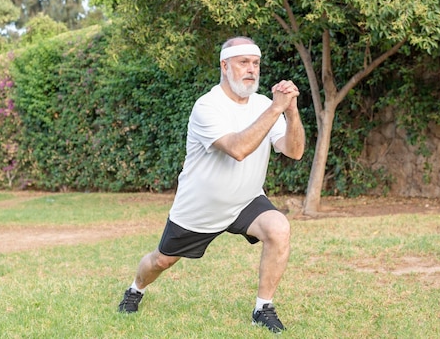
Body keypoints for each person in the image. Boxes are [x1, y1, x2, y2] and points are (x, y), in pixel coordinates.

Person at [117, 36, 305, 333]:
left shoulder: (264, 104)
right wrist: (275, 110)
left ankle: (262, 307)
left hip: (245, 200)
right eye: (243, 62)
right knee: (161, 261)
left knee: (278, 227)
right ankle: (135, 289)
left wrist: (291, 112)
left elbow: (293, 150)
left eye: (255, 63)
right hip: (201, 207)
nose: (251, 70)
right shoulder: (207, 106)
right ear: (224, 65)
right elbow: (238, 149)